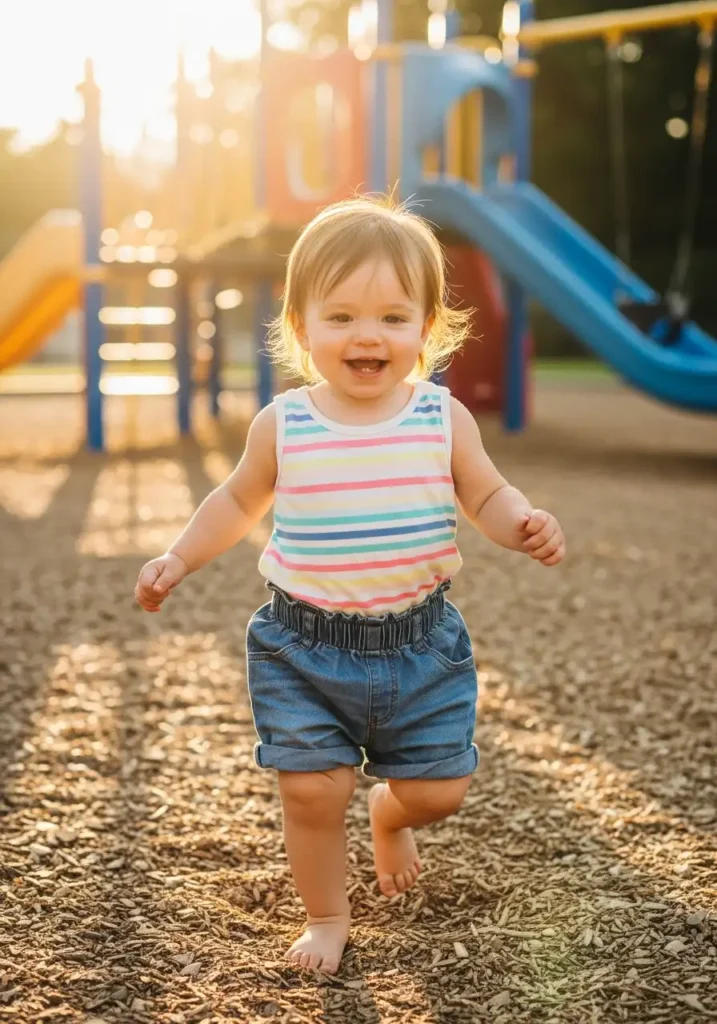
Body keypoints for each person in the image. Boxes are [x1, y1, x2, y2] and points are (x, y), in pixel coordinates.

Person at [134, 196, 565, 975]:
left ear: (426, 328)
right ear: (300, 328)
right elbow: (235, 501)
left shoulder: (441, 418)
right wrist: (178, 557)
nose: (367, 335)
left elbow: (485, 495)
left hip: (421, 646)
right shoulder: (284, 424)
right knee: (310, 791)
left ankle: (388, 814)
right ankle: (327, 916)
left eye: (392, 318)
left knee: (440, 793)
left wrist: (522, 522)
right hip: (302, 646)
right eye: (340, 317)